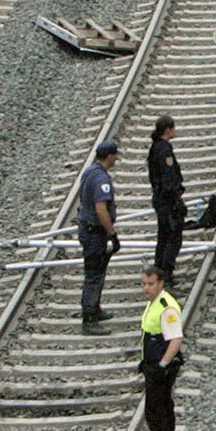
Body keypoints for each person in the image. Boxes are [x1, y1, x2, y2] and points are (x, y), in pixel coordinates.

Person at [136, 266, 185, 431]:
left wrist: (163, 365)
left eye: (150, 284)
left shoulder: (166, 307)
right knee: (156, 408)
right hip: (153, 364)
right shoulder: (154, 303)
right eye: (144, 284)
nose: (146, 288)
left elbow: (175, 339)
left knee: (158, 408)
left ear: (161, 283)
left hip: (161, 367)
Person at [77, 142, 120, 332]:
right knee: (94, 274)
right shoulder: (101, 179)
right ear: (109, 156)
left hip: (87, 229)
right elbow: (101, 209)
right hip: (95, 232)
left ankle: (95, 308)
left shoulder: (89, 172)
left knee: (97, 272)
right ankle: (89, 319)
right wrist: (112, 233)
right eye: (115, 155)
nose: (116, 158)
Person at [148, 116, 184, 283]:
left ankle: (158, 268)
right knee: (173, 236)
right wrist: (175, 198)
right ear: (168, 129)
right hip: (167, 200)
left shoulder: (155, 147)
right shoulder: (164, 149)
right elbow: (169, 176)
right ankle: (165, 271)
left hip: (160, 198)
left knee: (163, 235)